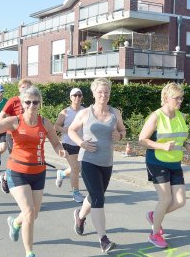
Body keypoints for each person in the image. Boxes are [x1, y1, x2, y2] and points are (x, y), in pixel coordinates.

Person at [0, 86, 67, 257]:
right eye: (28, 102)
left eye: (35, 102)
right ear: (22, 103)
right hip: (17, 172)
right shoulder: (15, 121)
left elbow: (56, 143)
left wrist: (60, 150)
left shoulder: (45, 122)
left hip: (39, 173)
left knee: (34, 214)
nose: (32, 105)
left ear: (39, 103)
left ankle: (15, 224)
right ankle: (29, 252)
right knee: (28, 211)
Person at [68, 78, 126, 254]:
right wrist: (81, 143)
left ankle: (80, 216)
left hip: (106, 162)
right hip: (88, 160)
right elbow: (71, 130)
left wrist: (120, 135)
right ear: (94, 93)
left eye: (106, 92)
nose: (103, 95)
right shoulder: (86, 113)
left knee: (94, 197)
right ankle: (103, 239)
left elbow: (123, 130)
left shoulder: (115, 113)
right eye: (100, 92)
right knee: (99, 198)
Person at [138, 83, 190, 248]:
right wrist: (161, 146)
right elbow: (142, 140)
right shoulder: (156, 116)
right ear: (167, 98)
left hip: (174, 162)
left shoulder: (180, 115)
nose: (180, 101)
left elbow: (180, 136)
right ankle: (154, 234)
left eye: (181, 98)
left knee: (181, 201)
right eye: (177, 98)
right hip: (156, 161)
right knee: (166, 198)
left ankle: (155, 215)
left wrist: (187, 144)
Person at [0, 79, 33, 193]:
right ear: (19, 88)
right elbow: (0, 117)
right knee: (16, 160)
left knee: (26, 161)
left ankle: (23, 185)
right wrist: (10, 126)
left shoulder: (32, 101)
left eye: (28, 87)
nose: (25, 89)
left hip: (27, 136)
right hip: (13, 136)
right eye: (23, 87)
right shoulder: (13, 101)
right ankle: (6, 177)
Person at [54, 87, 85, 203]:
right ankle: (76, 193)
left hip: (81, 144)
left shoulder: (85, 111)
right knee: (75, 168)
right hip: (68, 143)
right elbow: (56, 126)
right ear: (70, 97)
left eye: (79, 95)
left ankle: (61, 173)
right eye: (75, 95)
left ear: (82, 97)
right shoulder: (65, 112)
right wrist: (66, 130)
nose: (77, 97)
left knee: (78, 168)